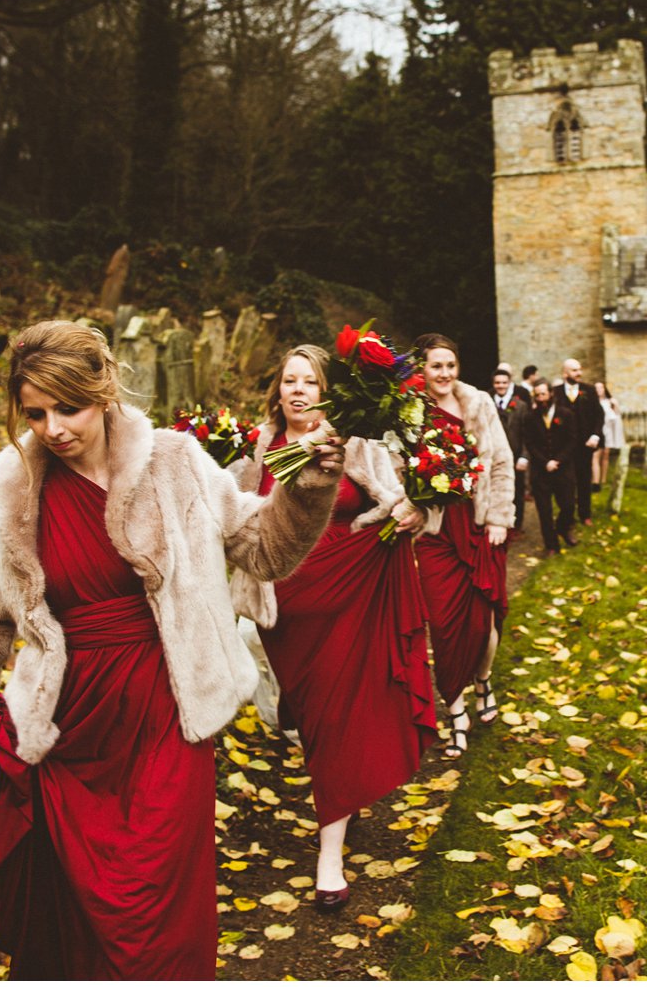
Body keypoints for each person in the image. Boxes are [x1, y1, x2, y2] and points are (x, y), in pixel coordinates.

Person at [0, 321, 343, 978]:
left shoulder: (174, 462)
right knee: (78, 915)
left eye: (68, 407)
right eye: (34, 413)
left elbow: (263, 548)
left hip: (163, 714)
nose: (52, 427)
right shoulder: (12, 487)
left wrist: (307, 488)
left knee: (154, 913)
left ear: (104, 389)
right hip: (68, 728)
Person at [232, 345, 438, 910]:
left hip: (348, 592)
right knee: (310, 718)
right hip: (288, 605)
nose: (298, 390)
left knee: (336, 719)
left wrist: (417, 512)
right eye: (289, 381)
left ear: (327, 392)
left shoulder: (355, 442)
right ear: (277, 391)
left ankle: (330, 854)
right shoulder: (257, 450)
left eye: (310, 382)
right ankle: (332, 778)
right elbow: (233, 515)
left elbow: (402, 498)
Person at [413, 334, 516, 758]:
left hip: (477, 525)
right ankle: (455, 713)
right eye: (436, 366)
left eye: (450, 365)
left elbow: (503, 461)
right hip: (436, 533)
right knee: (445, 626)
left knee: (485, 627)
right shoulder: (408, 411)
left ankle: (484, 679)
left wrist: (498, 518)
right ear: (421, 368)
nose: (444, 374)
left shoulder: (479, 404)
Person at [518, 377, 580, 555]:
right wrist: (545, 462)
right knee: (544, 511)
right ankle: (551, 545)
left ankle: (563, 527)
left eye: (544, 394)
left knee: (568, 505)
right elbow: (530, 443)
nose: (541, 398)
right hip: (540, 471)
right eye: (537, 395)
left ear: (551, 394)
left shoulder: (566, 414)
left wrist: (558, 460)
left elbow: (572, 440)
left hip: (563, 469)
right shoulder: (530, 417)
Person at [560, 358, 604, 523]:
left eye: (579, 369)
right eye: (574, 370)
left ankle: (585, 514)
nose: (579, 373)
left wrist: (595, 434)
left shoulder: (589, 390)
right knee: (566, 482)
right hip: (564, 447)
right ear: (565, 373)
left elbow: (599, 415)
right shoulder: (556, 392)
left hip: (584, 445)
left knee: (584, 480)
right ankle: (567, 515)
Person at [492, 368, 528, 532]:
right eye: (498, 383)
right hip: (492, 457)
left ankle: (516, 525)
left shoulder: (521, 406)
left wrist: (524, 456)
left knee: (517, 492)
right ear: (493, 384)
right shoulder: (486, 402)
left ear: (509, 384)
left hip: (515, 456)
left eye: (504, 383)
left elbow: (527, 433)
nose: (501, 386)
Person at [593, 381, 625, 488]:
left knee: (605, 455)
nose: (598, 390)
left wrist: (615, 406)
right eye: (596, 388)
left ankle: (603, 478)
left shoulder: (609, 402)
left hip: (608, 430)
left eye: (600, 388)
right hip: (597, 430)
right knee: (596, 455)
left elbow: (616, 417)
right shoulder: (592, 403)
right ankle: (595, 479)